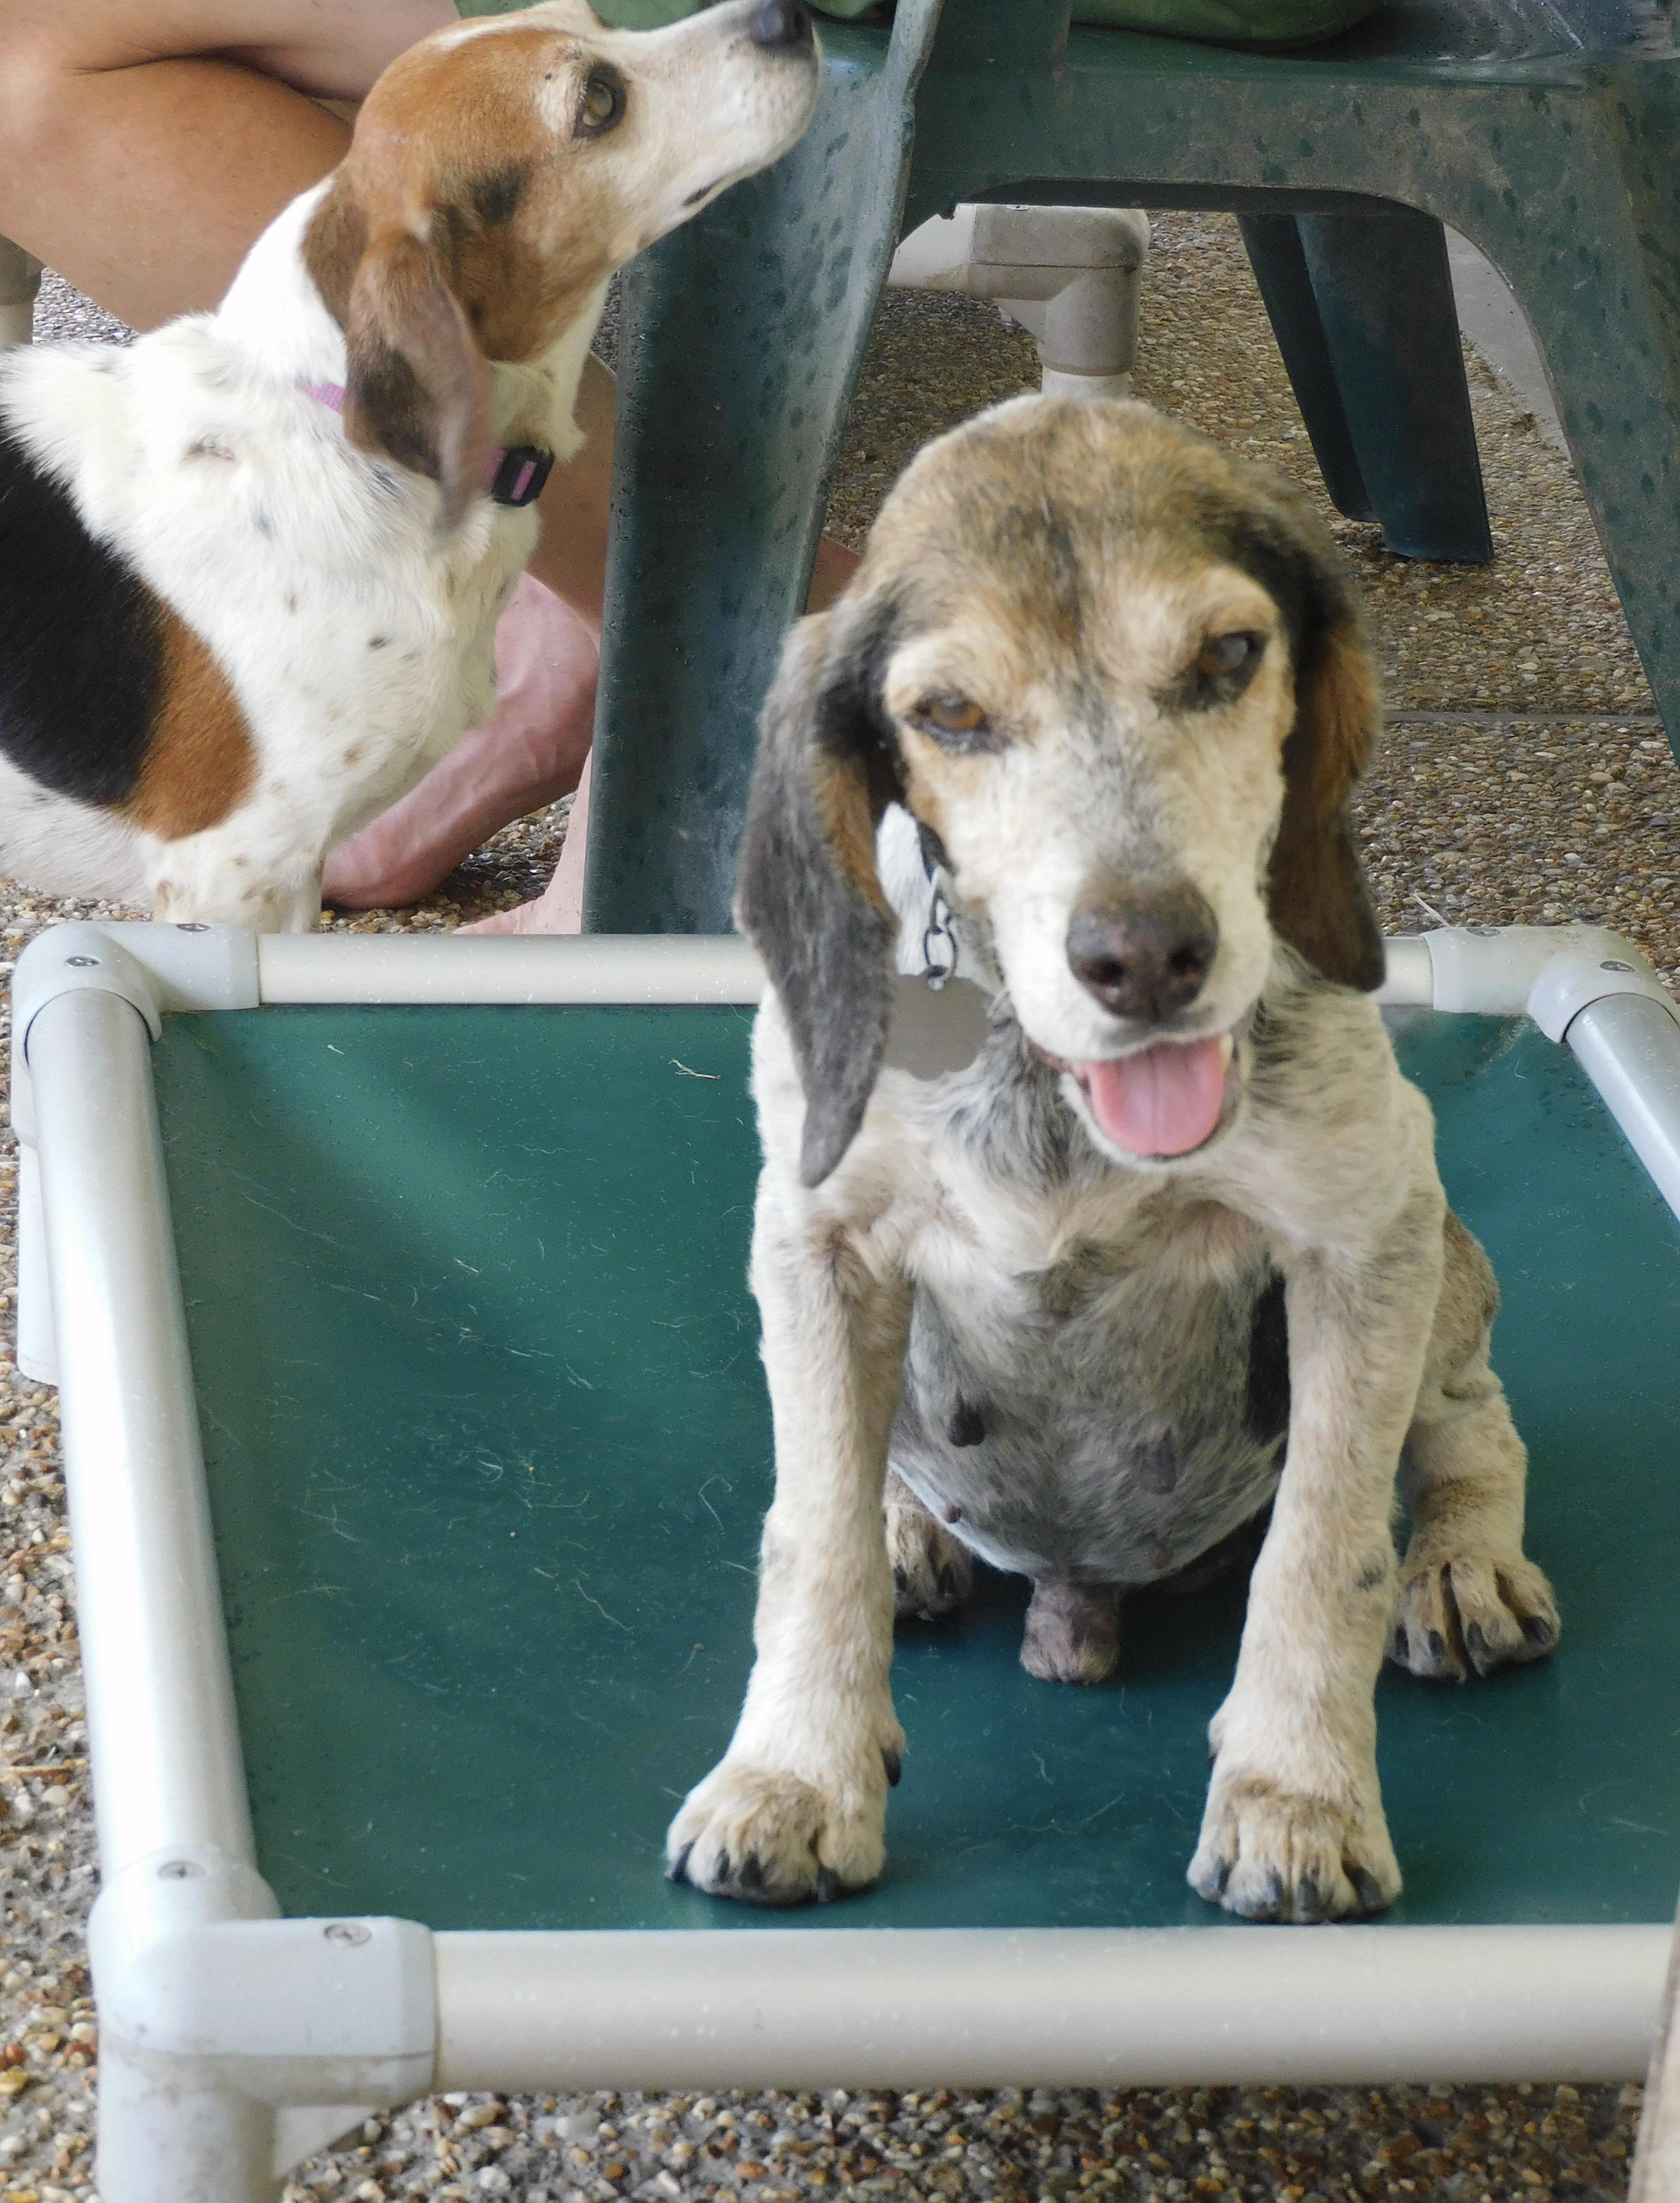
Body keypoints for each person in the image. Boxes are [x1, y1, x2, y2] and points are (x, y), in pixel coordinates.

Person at [0, 0, 856, 933]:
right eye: (602, 105)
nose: (745, 27)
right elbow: (222, 887)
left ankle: (685, 620)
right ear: (434, 313)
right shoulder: (304, 618)